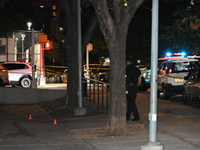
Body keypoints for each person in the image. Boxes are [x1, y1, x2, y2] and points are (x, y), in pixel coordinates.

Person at [126, 57, 142, 121]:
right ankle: (129, 116)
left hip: (129, 86)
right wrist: (138, 85)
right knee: (131, 101)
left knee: (130, 101)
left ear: (128, 62)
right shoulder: (137, 69)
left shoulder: (127, 69)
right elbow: (139, 78)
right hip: (135, 87)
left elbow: (126, 78)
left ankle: (133, 116)